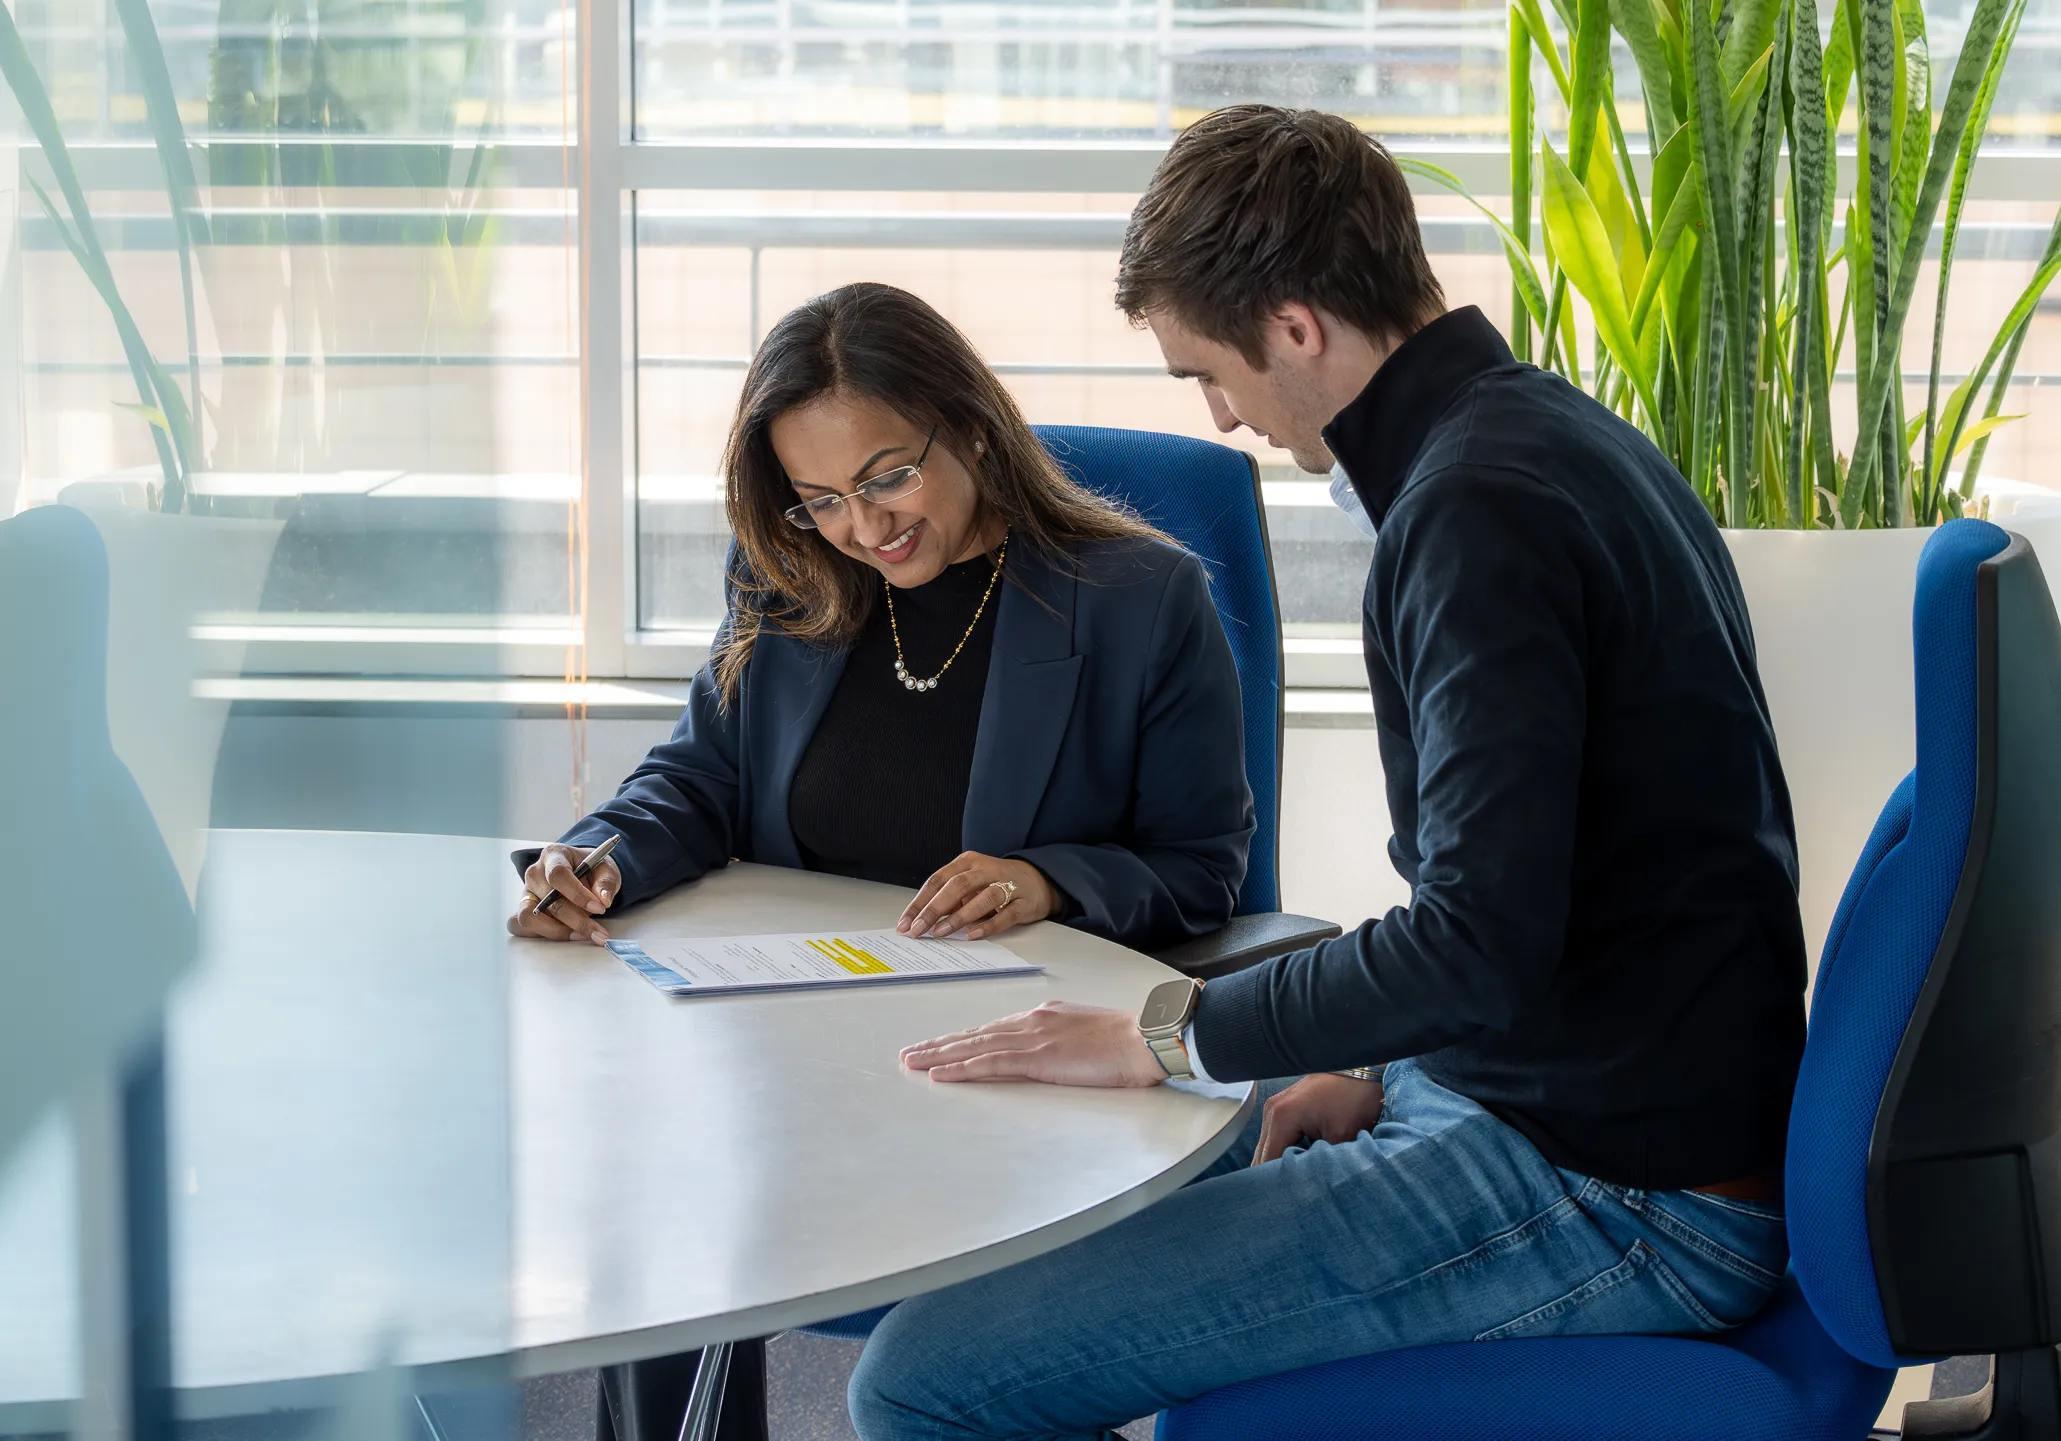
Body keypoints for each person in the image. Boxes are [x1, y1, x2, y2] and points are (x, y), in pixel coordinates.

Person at [847, 105, 1809, 1440]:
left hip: (1620, 1193)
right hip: (1573, 1097)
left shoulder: (1474, 511)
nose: (1224, 420)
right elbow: (1554, 899)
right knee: (1068, 1203)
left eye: (1207, 376)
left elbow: (1477, 936)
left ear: (1297, 326)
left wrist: (1166, 1030)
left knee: (923, 1379)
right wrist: (1372, 1058)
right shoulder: (1547, 437)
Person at [507, 280, 1255, 1441]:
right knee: (645, 1195)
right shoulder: (788, 575)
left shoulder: (1137, 599)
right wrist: (600, 854)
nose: (864, 528)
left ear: (964, 420)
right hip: (783, 1050)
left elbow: (1204, 868)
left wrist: (1052, 879)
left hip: (1001, 1065)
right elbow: (701, 777)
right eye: (820, 500)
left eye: (886, 476)